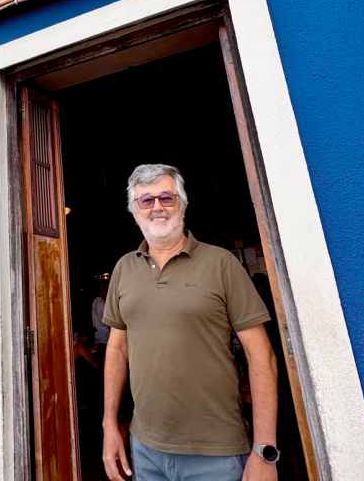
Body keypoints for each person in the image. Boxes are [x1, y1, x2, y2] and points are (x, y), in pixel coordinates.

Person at [101, 164, 280, 481]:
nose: (157, 207)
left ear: (182, 204)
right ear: (134, 210)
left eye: (166, 197)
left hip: (217, 453)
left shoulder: (221, 263)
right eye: (146, 200)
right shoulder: (124, 268)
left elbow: (261, 356)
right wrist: (110, 425)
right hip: (145, 449)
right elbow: (116, 349)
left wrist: (265, 451)